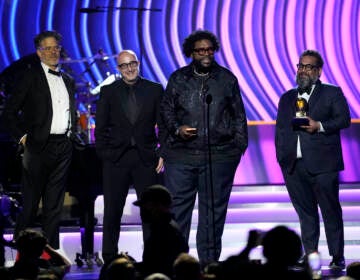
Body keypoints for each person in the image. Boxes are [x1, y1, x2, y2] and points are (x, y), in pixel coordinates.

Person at [160, 30, 248, 265]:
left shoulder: (226, 79)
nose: (206, 54)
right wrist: (178, 128)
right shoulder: (178, 78)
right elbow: (166, 110)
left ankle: (209, 265)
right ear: (191, 53)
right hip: (181, 155)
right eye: (201, 50)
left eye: (210, 49)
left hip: (219, 156)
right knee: (178, 214)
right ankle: (179, 263)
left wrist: (237, 149)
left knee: (213, 214)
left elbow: (239, 115)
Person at [2, 30, 78, 249]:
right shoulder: (29, 77)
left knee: (54, 206)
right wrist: (23, 138)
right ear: (39, 52)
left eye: (56, 47)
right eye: (48, 48)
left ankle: (50, 254)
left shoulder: (68, 79)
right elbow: (8, 113)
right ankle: (19, 253)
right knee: (31, 204)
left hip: (63, 146)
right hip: (36, 147)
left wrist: (71, 134)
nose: (53, 52)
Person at [275, 50, 351, 269]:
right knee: (306, 213)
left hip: (324, 165)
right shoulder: (287, 97)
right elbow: (280, 130)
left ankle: (337, 256)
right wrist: (282, 159)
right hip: (294, 166)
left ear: (318, 71)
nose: (303, 70)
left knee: (330, 212)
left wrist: (319, 126)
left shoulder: (331, 93)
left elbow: (343, 120)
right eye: (301, 66)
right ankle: (310, 254)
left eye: (309, 67)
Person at [95, 50, 165, 263]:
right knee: (112, 210)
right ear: (119, 69)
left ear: (138, 64)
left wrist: (162, 153)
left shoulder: (154, 89)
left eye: (132, 63)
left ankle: (152, 257)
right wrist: (106, 155)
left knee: (151, 213)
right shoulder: (108, 91)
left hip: (146, 158)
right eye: (124, 65)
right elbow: (100, 128)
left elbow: (163, 124)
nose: (129, 68)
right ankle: (109, 257)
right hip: (116, 159)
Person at [133, 184, 189, 278]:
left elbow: (155, 267)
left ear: (160, 205)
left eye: (147, 206)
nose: (143, 211)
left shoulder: (164, 231)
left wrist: (131, 265)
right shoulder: (162, 227)